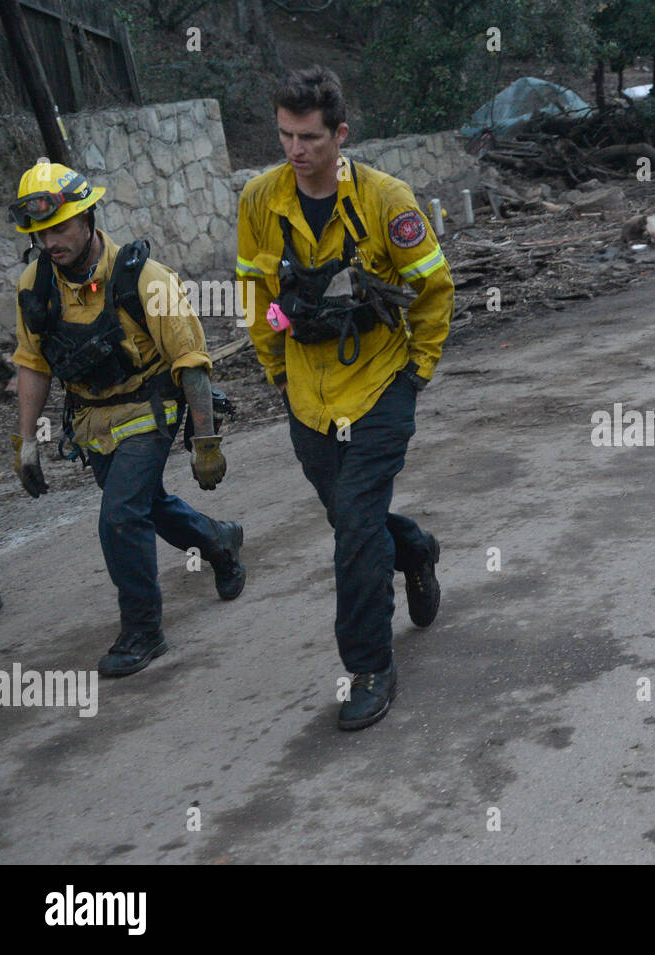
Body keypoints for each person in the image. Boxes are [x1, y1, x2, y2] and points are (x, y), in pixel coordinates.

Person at [236, 67, 453, 731]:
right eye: (284, 135)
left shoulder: (387, 200)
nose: (295, 150)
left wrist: (417, 371)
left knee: (355, 526)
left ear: (340, 135)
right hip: (305, 393)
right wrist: (274, 369)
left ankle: (368, 667)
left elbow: (434, 287)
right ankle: (413, 548)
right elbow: (256, 296)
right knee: (353, 521)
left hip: (381, 383)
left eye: (308, 137)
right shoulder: (259, 200)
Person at [10, 161, 244, 676]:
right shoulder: (37, 284)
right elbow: (32, 364)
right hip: (91, 423)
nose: (50, 241)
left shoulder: (147, 279)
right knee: (148, 507)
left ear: (89, 217)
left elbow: (192, 365)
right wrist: (25, 442)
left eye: (60, 227)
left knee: (119, 518)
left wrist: (206, 442)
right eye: (40, 232)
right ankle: (218, 541)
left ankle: (143, 631)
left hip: (150, 411)